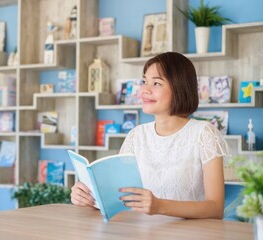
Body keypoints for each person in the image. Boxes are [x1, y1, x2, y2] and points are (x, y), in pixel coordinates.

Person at [70, 52, 228, 219]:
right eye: (144, 81)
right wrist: (87, 197)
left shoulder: (204, 134)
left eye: (157, 83)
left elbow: (216, 208)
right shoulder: (136, 136)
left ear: (179, 88)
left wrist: (160, 206)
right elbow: (118, 199)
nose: (145, 89)